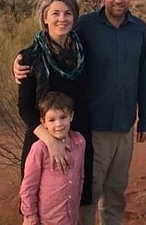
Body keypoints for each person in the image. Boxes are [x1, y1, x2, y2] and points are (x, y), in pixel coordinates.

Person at [15, 0, 146, 225]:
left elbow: (144, 74)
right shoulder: (86, 26)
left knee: (116, 194)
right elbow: (49, 43)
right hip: (92, 129)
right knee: (86, 195)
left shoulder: (139, 29)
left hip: (124, 125)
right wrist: (18, 61)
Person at [17, 0, 93, 218]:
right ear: (44, 18)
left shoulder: (84, 50)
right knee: (43, 205)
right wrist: (51, 141)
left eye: (68, 13)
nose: (62, 19)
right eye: (55, 13)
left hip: (79, 139)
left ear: (75, 17)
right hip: (43, 139)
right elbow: (25, 108)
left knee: (78, 202)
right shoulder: (30, 57)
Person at [20, 91, 86, 225]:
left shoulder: (79, 142)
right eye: (52, 120)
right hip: (47, 221)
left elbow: (80, 176)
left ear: (71, 116)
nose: (59, 124)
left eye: (63, 117)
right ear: (43, 122)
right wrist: (31, 219)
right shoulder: (39, 150)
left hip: (71, 218)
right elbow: (28, 188)